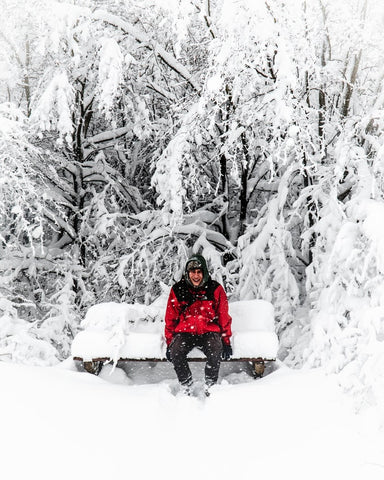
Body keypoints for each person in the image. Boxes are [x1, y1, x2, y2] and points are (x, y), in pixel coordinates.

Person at [164, 253, 232, 395]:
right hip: (185, 333)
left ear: (204, 273)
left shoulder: (215, 289)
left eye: (199, 272)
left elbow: (223, 317)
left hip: (208, 332)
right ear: (187, 273)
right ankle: (186, 384)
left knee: (215, 349)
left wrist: (226, 341)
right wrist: (170, 342)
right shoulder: (178, 290)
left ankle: (210, 385)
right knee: (176, 350)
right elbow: (170, 319)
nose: (196, 276)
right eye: (192, 272)